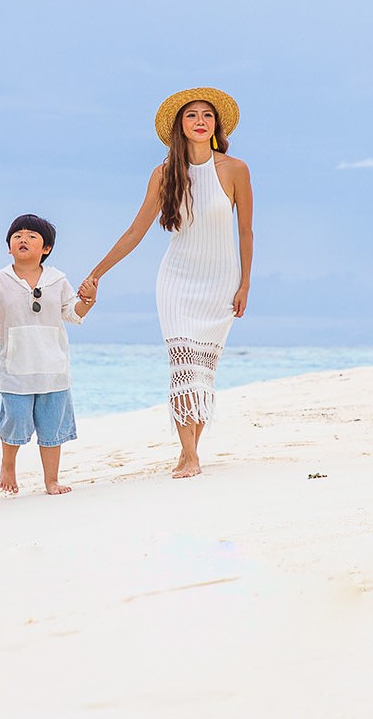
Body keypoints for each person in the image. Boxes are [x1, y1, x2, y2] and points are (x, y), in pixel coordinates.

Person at [80, 87, 253, 478]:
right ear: (180, 125)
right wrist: (97, 272)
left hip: (220, 283)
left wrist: (244, 285)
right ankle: (188, 454)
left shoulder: (235, 170)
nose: (199, 121)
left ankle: (193, 448)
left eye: (207, 116)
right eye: (191, 115)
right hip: (176, 280)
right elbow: (135, 231)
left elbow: (246, 232)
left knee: (203, 369)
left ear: (216, 125)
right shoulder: (164, 173)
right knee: (182, 366)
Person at [0, 214, 97, 496]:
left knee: (52, 429)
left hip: (53, 370)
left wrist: (88, 301)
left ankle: (51, 480)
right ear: (9, 247)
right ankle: (8, 465)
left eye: (32, 236)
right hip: (15, 371)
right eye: (17, 235)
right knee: (15, 423)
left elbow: (72, 313)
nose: (23, 239)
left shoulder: (58, 280)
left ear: (46, 248)